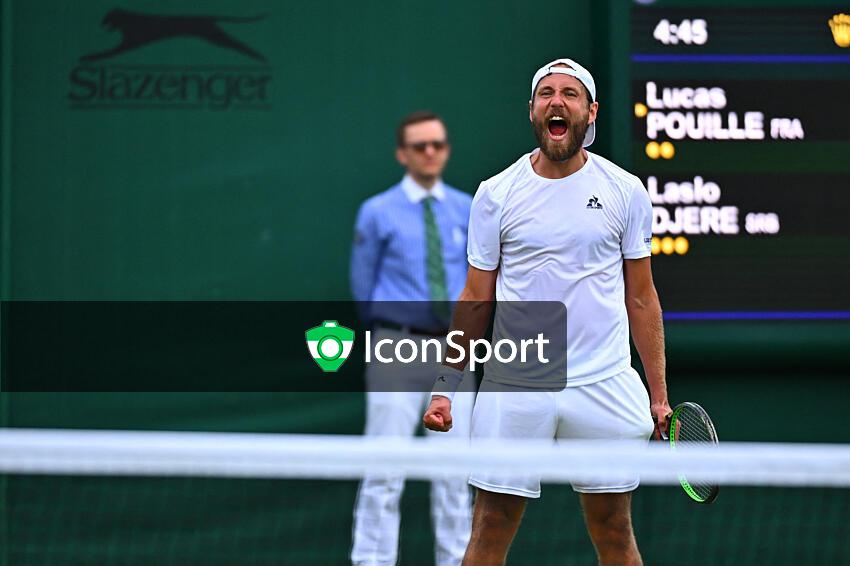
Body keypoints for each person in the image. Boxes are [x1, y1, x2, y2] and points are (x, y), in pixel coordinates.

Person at [422, 59, 673, 565]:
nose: (557, 102)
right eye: (546, 94)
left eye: (571, 94)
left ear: (590, 111)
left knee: (614, 530)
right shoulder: (496, 194)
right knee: (489, 526)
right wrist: (446, 387)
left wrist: (660, 396)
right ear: (533, 110)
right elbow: (475, 298)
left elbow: (642, 296)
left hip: (603, 380)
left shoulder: (626, 191)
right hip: (518, 382)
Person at [350, 111, 474, 566]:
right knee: (384, 467)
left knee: (454, 472)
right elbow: (362, 285)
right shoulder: (377, 211)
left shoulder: (467, 208)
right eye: (419, 146)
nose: (429, 153)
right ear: (403, 153)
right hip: (396, 346)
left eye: (437, 144)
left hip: (455, 354)